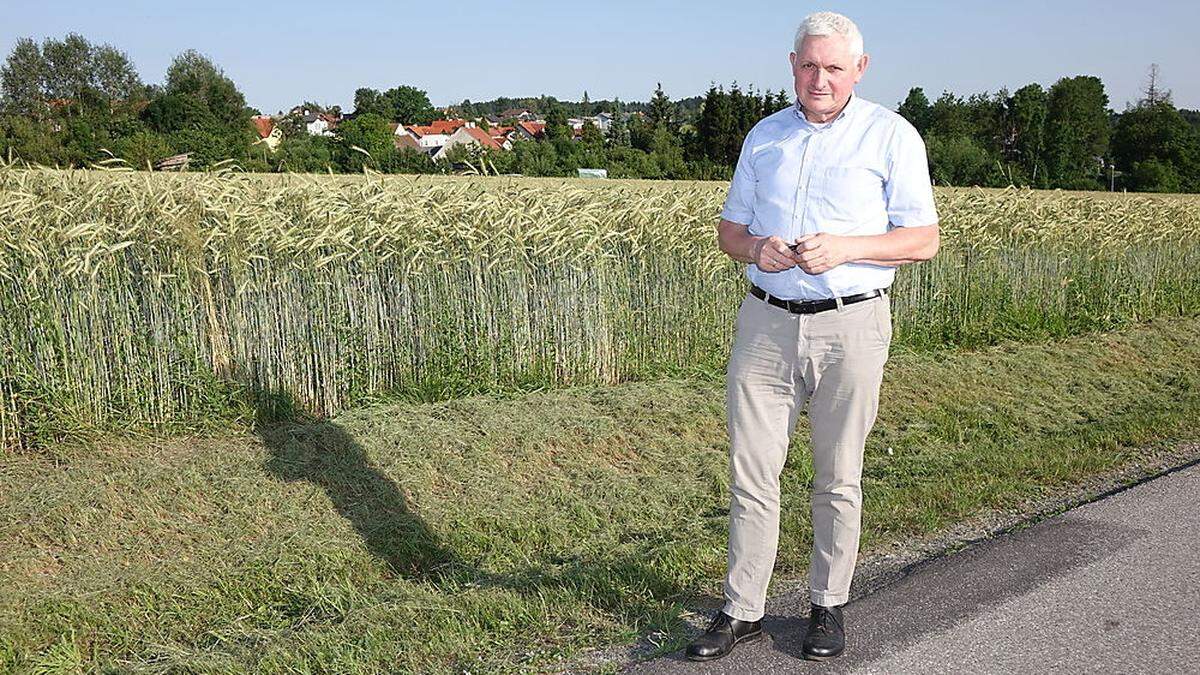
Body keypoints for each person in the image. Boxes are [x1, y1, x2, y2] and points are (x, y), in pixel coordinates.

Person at [685, 10, 940, 664]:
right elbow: (728, 232)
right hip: (765, 322)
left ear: (859, 68)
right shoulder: (765, 137)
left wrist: (847, 247)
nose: (819, 79)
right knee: (752, 474)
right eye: (808, 65)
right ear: (792, 66)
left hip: (851, 323)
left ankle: (827, 604)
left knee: (837, 475)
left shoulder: (892, 136)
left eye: (833, 67)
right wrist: (757, 248)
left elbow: (923, 239)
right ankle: (743, 610)